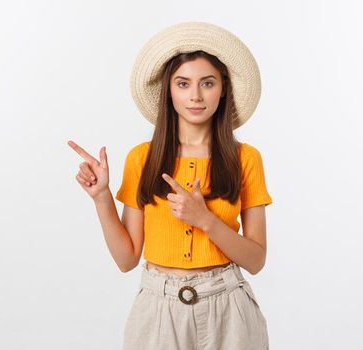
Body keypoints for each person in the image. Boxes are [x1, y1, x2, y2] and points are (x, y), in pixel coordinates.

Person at [67, 22, 272, 349]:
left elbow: (256, 260)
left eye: (207, 83)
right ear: (169, 90)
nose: (195, 96)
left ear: (223, 90)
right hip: (158, 311)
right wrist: (102, 198)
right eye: (183, 83)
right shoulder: (142, 158)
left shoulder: (245, 158)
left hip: (229, 309)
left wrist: (205, 220)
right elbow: (126, 259)